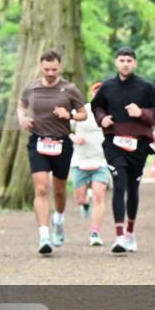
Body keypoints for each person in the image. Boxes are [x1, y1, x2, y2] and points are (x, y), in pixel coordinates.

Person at [91, 47, 155, 254]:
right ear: (116, 62)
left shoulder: (147, 87)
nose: (125, 64)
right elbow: (96, 106)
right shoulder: (107, 87)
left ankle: (130, 233)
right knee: (119, 183)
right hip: (114, 143)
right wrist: (102, 118)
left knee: (133, 188)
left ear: (135, 63)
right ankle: (119, 237)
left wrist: (141, 112)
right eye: (122, 60)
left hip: (138, 144)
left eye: (129, 60)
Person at [17, 50, 87, 255]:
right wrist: (22, 119)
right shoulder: (31, 87)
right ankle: (43, 235)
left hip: (62, 143)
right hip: (37, 141)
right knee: (40, 189)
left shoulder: (70, 89)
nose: (50, 73)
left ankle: (58, 219)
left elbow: (83, 114)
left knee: (58, 189)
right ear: (40, 67)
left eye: (53, 69)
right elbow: (21, 106)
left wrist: (70, 114)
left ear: (60, 67)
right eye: (46, 69)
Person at [69, 81, 110, 246]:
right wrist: (73, 138)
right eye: (96, 91)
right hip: (80, 160)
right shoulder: (82, 110)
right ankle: (84, 203)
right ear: (91, 93)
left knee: (99, 196)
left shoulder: (111, 111)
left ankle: (95, 233)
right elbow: (64, 127)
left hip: (101, 160)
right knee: (79, 198)